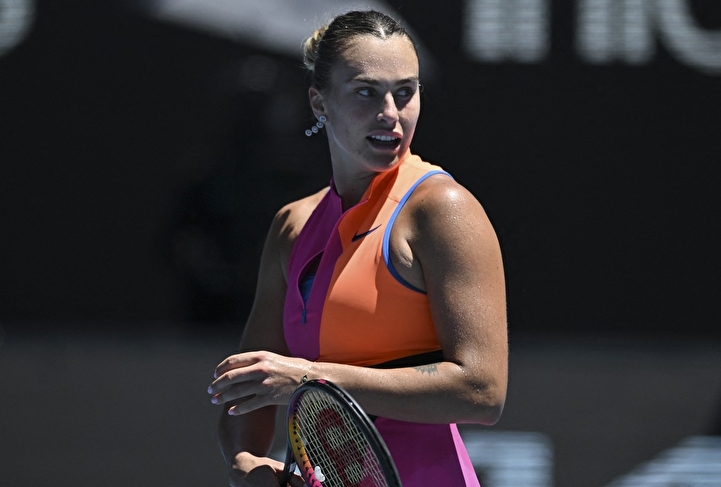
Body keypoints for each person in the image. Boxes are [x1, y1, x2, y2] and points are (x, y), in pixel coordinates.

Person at [207, 10, 508, 487]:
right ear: (319, 102)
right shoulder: (292, 225)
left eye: (405, 92)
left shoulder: (442, 209)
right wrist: (245, 464)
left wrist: (311, 380)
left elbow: (482, 390)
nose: (390, 112)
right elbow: (252, 382)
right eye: (366, 92)